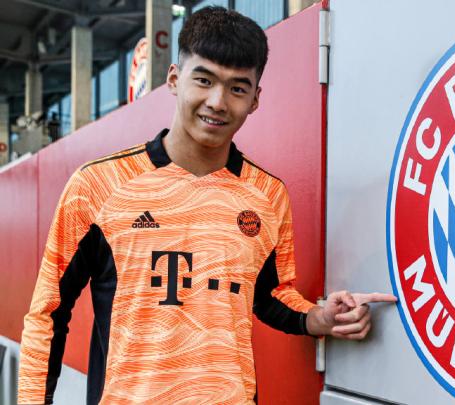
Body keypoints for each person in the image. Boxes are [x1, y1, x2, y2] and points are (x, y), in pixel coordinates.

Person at [18, 7, 396, 405]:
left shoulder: (267, 195)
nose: (217, 102)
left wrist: (318, 318)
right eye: (204, 80)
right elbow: (48, 313)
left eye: (237, 88)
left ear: (255, 99)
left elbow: (269, 294)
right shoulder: (98, 185)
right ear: (174, 79)